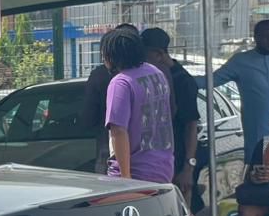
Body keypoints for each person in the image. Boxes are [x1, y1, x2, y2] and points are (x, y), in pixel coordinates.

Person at [103, 29, 174, 183]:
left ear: (111, 55)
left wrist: (125, 177)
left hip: (135, 173)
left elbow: (118, 131)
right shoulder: (156, 73)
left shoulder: (121, 83)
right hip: (163, 168)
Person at [208, 19, 269, 163]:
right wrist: (177, 76)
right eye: (265, 36)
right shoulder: (241, 61)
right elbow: (211, 81)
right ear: (256, 37)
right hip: (258, 135)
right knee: (259, 171)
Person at [143, 27, 200, 205]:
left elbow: (191, 126)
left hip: (178, 162)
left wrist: (188, 169)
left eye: (144, 55)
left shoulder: (182, 81)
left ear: (158, 54)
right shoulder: (150, 78)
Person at [81, 23, 140, 174]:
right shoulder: (152, 73)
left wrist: (125, 176)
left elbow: (88, 118)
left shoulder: (102, 76)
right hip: (148, 154)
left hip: (110, 150)